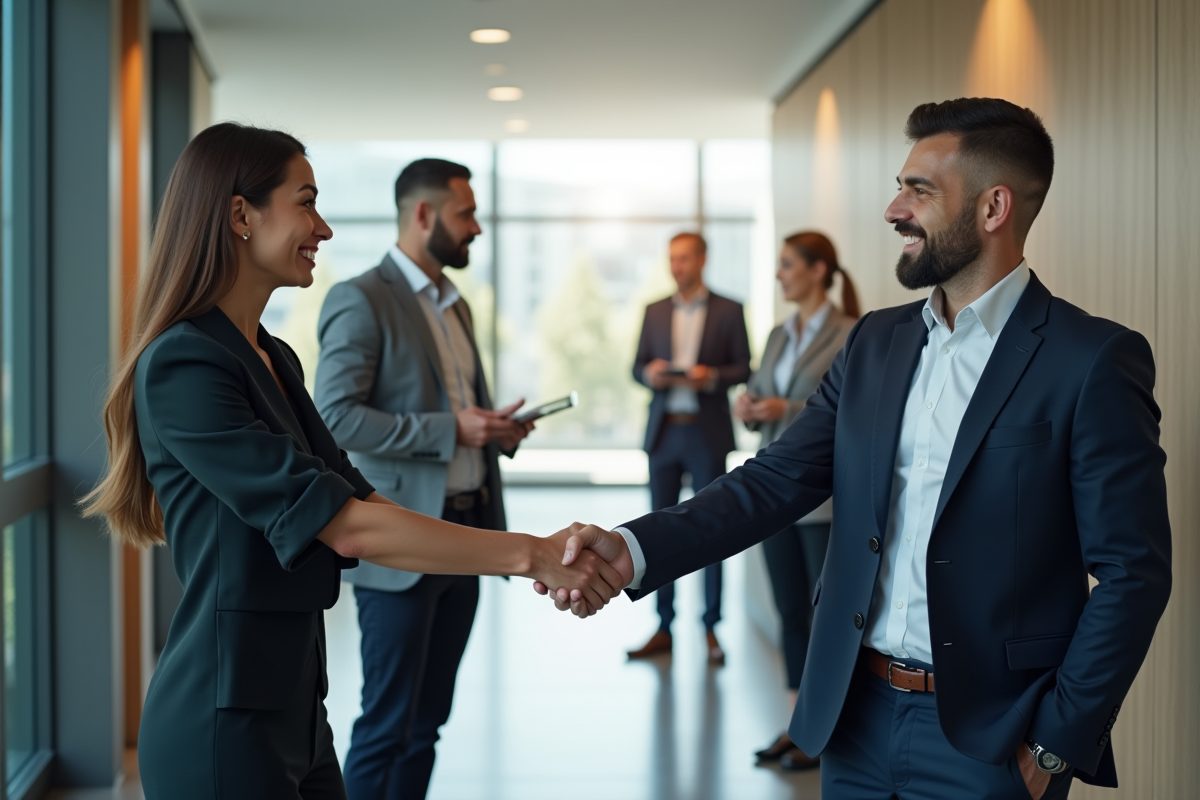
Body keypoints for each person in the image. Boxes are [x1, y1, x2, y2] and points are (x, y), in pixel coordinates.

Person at [543, 98, 1172, 800]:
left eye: (919, 190)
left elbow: (1132, 573)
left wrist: (1055, 744)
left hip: (994, 739)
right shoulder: (874, 342)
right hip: (853, 716)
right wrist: (631, 549)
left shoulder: (1090, 359)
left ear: (993, 209)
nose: (894, 209)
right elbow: (773, 482)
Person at [79, 123, 622, 800]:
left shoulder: (274, 358)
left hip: (300, 710)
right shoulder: (184, 363)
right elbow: (346, 527)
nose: (324, 228)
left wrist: (536, 549)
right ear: (240, 215)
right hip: (223, 721)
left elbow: (366, 504)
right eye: (306, 202)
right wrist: (531, 554)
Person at [314, 158, 531, 800]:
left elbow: (456, 415)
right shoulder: (361, 297)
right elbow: (335, 416)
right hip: (403, 542)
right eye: (466, 214)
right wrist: (451, 430)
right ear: (423, 215)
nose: (477, 229)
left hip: (466, 528)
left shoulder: (455, 306)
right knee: (386, 723)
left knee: (428, 722)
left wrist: (493, 431)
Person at [734, 232, 859, 771]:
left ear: (816, 270)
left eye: (787, 265)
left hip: (824, 499)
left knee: (825, 615)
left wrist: (784, 405)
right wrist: (749, 406)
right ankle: (796, 724)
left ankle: (826, 728)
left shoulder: (852, 333)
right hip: (775, 494)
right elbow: (762, 395)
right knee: (789, 611)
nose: (780, 275)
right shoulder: (777, 335)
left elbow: (850, 409)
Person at [626, 232, 751, 665]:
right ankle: (664, 626)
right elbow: (635, 367)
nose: (676, 267)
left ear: (702, 260)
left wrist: (711, 376)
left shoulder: (729, 310)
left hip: (706, 432)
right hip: (664, 433)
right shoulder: (654, 311)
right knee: (657, 531)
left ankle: (711, 628)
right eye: (672, 259)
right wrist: (650, 374)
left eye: (683, 259)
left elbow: (743, 366)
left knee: (713, 530)